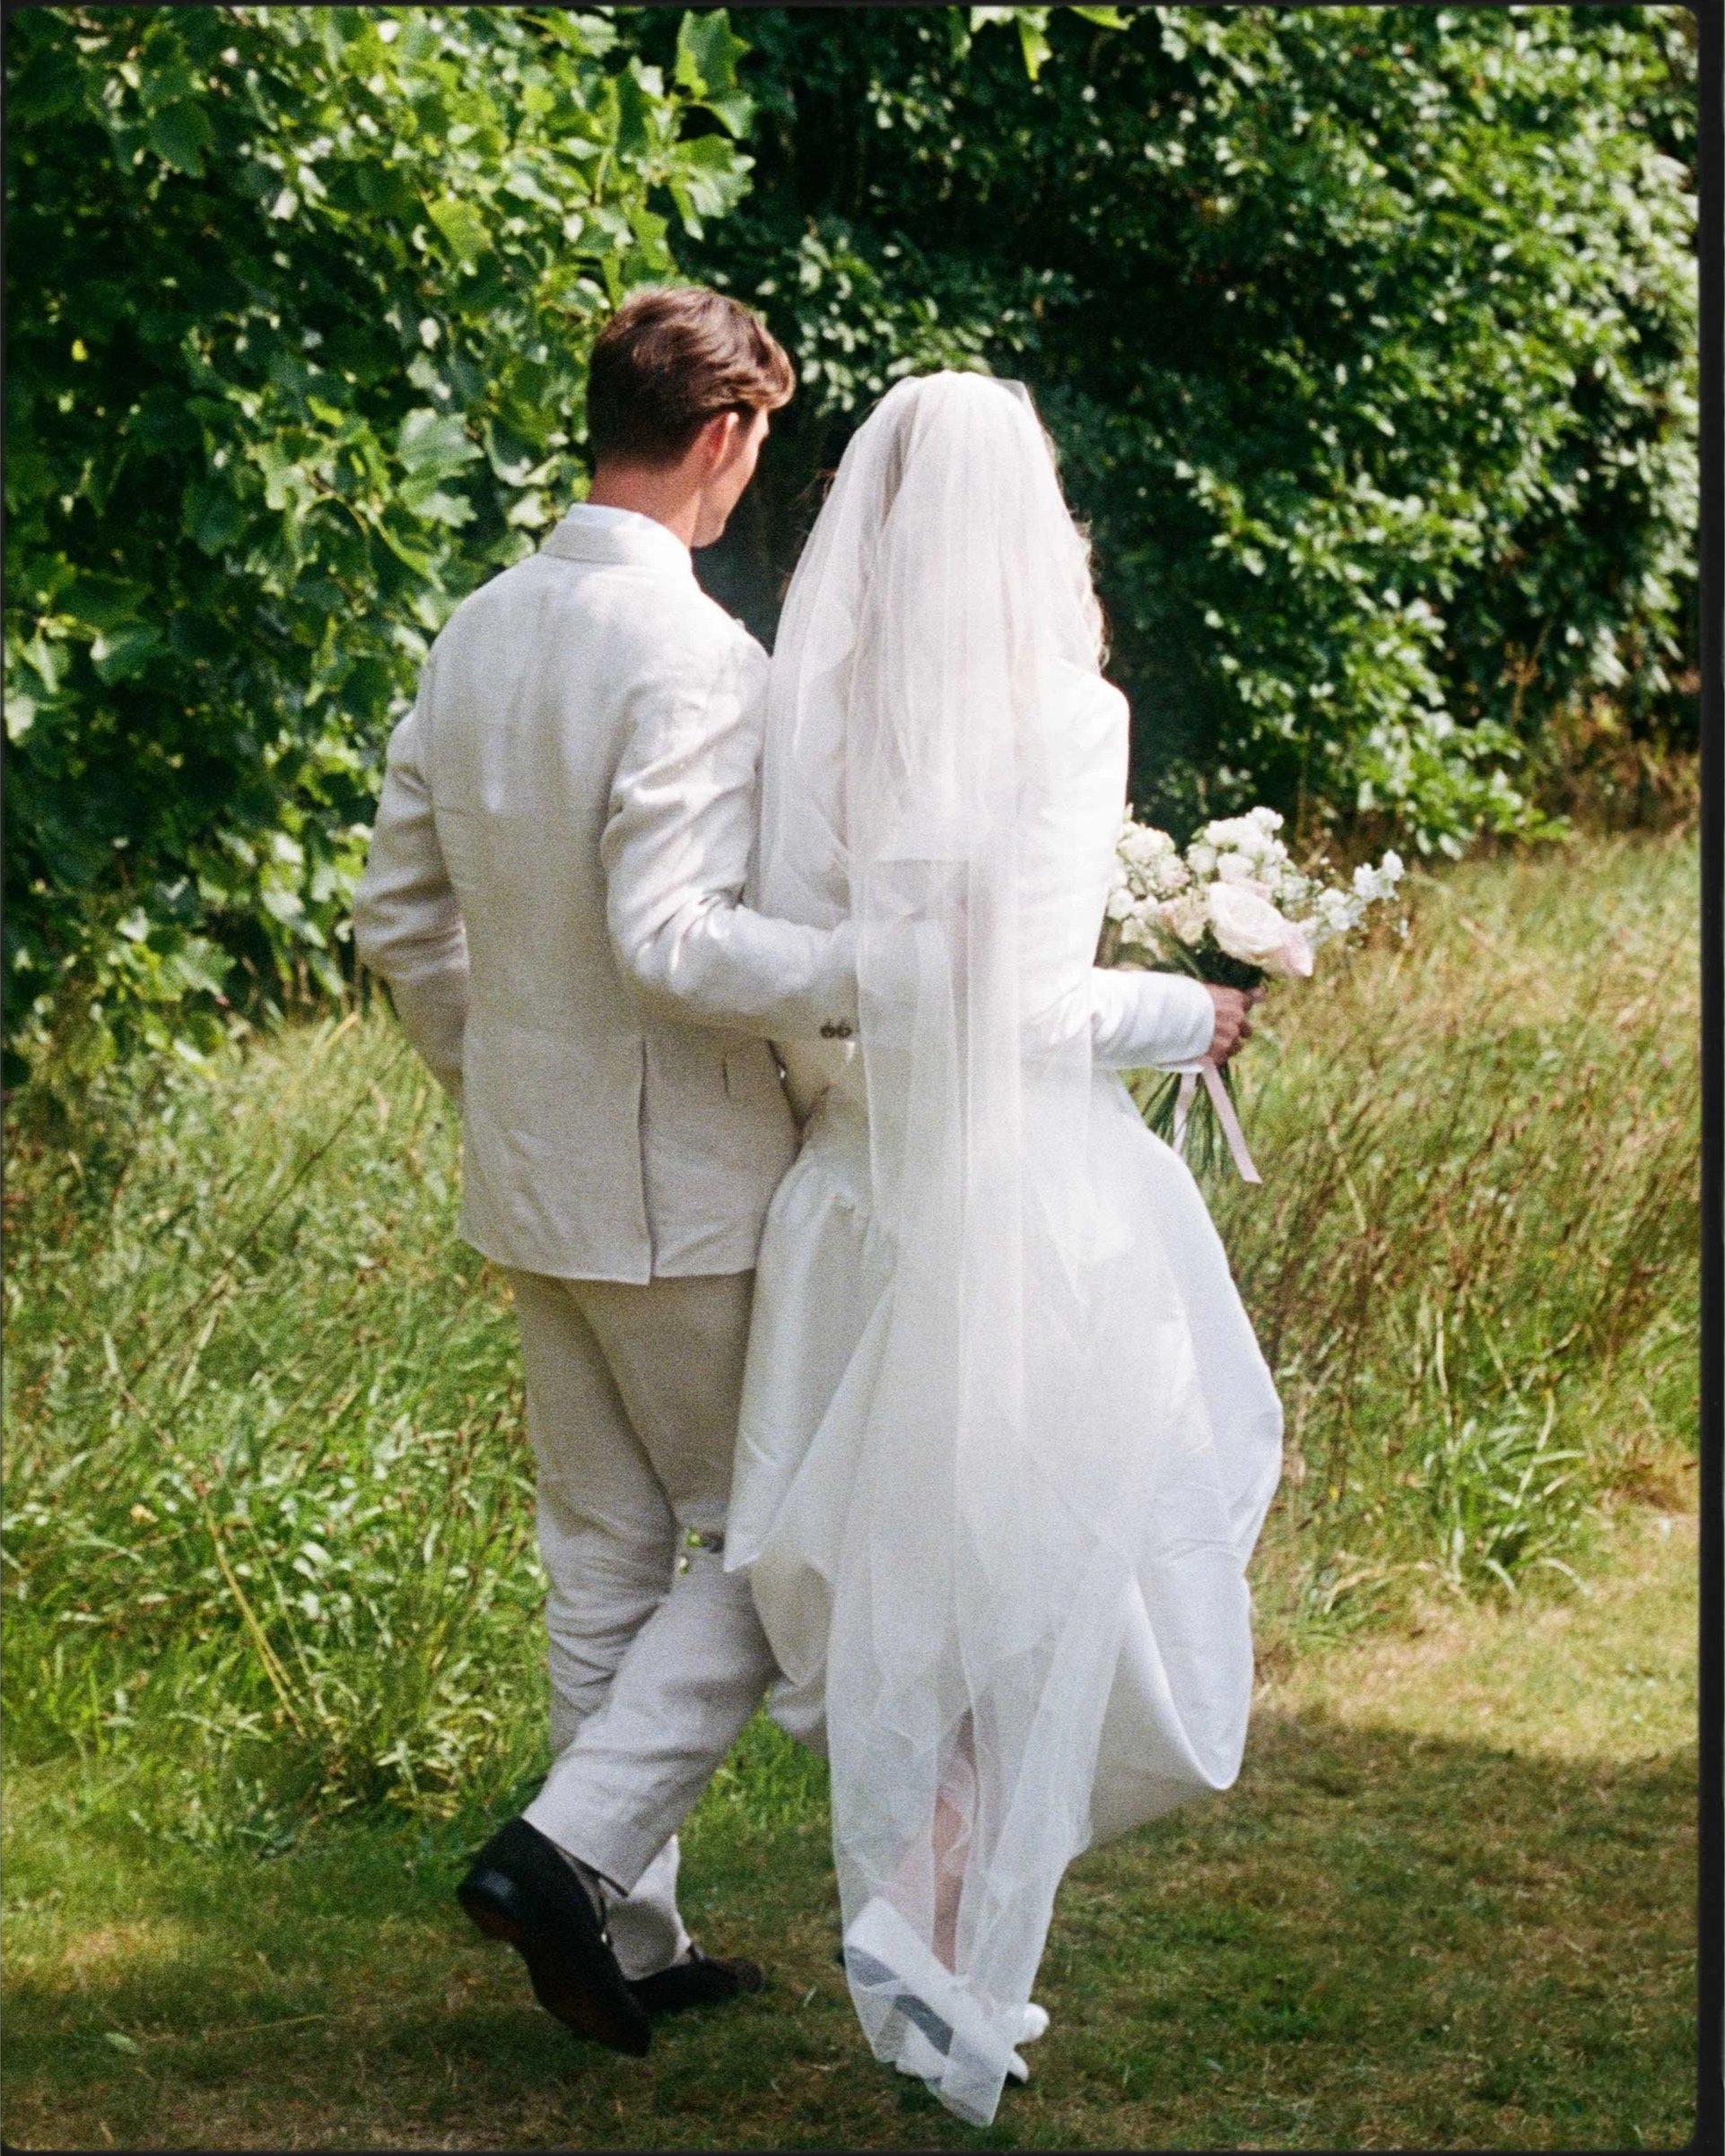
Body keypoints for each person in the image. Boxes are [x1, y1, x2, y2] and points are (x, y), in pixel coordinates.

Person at [724, 372, 1285, 2124]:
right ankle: (926, 1922)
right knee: (1049, 1592)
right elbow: (1031, 1003)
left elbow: (824, 966)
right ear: (1033, 513)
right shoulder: (1065, 710)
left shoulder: (805, 709)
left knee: (913, 1605)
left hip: (844, 1196)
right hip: (1028, 1205)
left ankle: (942, 1948)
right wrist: (1186, 1004)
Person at [352, 286, 861, 2054]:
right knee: (777, 1529)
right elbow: (675, 939)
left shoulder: (474, 629)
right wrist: (883, 976)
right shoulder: (700, 657)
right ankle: (564, 1854)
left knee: (602, 1553)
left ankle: (624, 1941)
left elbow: (396, 914)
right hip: (682, 1182)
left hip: (531, 1165)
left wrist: (493, 1073)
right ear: (721, 438)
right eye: (754, 456)